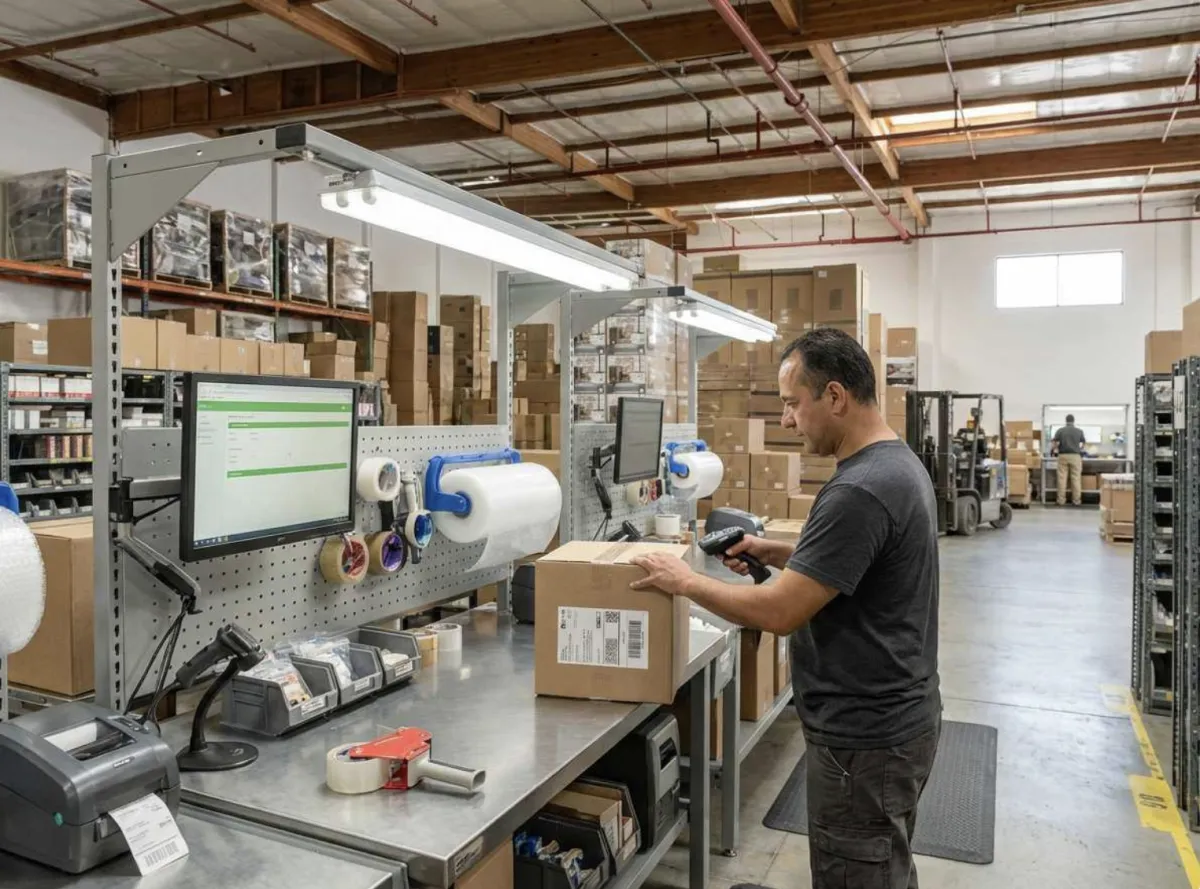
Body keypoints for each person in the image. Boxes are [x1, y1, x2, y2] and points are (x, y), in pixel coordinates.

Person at [630, 328, 942, 889]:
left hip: (864, 737)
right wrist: (780, 551)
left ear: (836, 397)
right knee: (883, 867)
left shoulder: (858, 490)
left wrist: (682, 581)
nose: (787, 421)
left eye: (794, 404)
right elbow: (864, 560)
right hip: (896, 723)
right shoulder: (897, 464)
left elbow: (778, 613)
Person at [1052, 414, 1086, 506]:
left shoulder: (1060, 430)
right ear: (1073, 421)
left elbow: (1054, 443)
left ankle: (1061, 500)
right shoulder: (1079, 431)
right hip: (1075, 456)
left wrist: (1055, 449)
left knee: (1062, 479)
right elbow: (1083, 444)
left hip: (1063, 455)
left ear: (1066, 421)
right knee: (1076, 479)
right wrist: (1079, 449)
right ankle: (1076, 501)